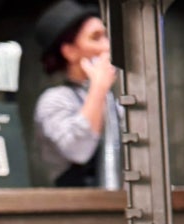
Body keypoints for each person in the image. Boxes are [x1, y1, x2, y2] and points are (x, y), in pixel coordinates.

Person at [33, 0, 122, 188]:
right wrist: (98, 87)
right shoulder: (55, 99)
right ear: (70, 52)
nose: (108, 46)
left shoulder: (114, 101)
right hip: (78, 208)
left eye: (107, 36)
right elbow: (78, 150)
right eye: (96, 38)